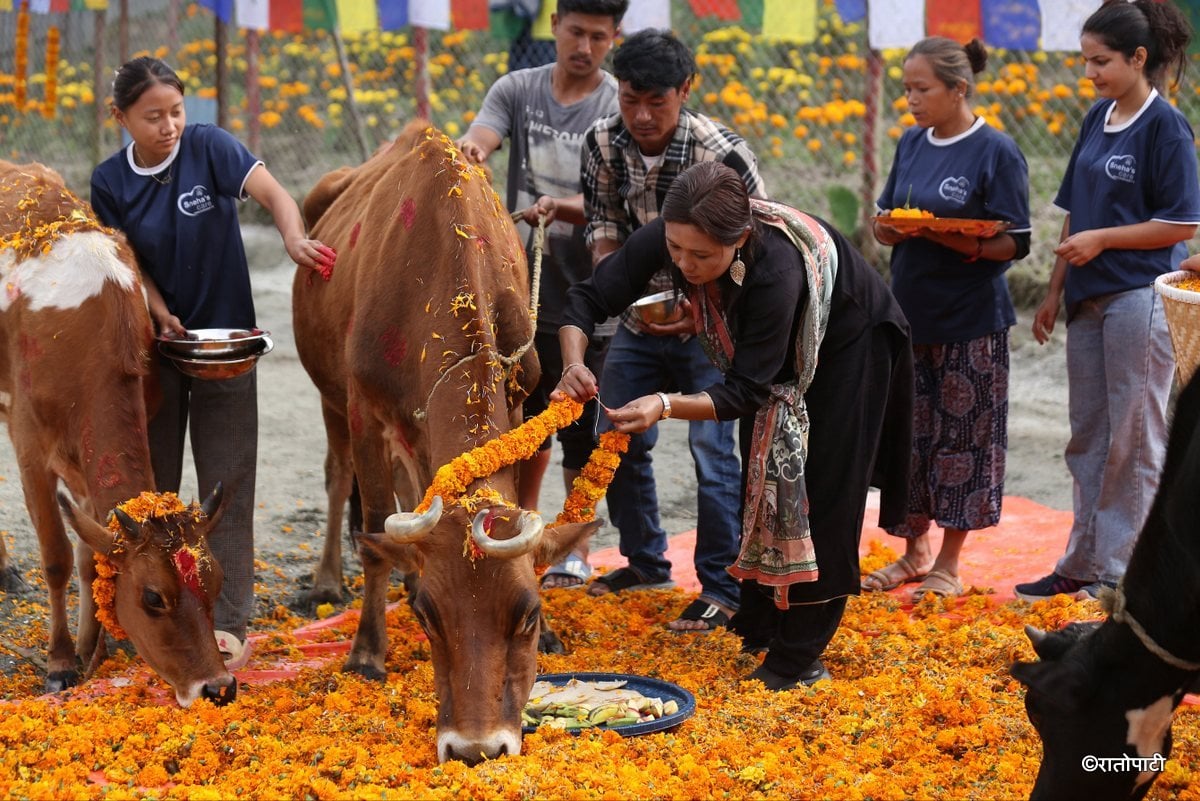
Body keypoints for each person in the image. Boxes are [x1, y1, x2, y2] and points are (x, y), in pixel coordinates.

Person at [557, 161, 913, 687]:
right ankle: (764, 620)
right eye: (675, 250)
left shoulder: (776, 270)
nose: (684, 263)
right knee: (760, 480)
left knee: (823, 494)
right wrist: (573, 362)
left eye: (701, 256)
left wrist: (663, 402)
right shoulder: (676, 234)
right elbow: (587, 299)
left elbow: (745, 392)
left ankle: (798, 657)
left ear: (741, 237)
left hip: (849, 348)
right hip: (774, 372)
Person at [90, 57, 334, 667]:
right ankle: (157, 613)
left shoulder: (209, 147)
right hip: (155, 350)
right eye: (152, 117)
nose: (169, 126)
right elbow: (124, 261)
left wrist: (293, 237)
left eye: (176, 111)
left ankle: (228, 623)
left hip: (228, 349)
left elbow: (273, 192)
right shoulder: (108, 182)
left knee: (228, 481)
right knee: (157, 492)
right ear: (119, 118)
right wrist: (157, 308)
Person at [1015, 0, 1200, 602]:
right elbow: (1074, 212)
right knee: (1087, 436)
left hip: (1138, 296)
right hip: (1087, 298)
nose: (1089, 73)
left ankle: (1123, 573)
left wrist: (1105, 240)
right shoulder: (1098, 119)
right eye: (1086, 60)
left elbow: (1180, 225)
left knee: (1135, 438)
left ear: (1138, 58)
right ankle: (1082, 560)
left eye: (1101, 61)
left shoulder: (1165, 125)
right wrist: (1052, 293)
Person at [579, 28, 763, 631]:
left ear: (686, 90)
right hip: (639, 314)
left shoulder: (725, 154)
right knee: (614, 431)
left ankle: (721, 586)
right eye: (630, 98)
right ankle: (644, 559)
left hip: (713, 324)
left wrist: (705, 304)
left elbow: (759, 245)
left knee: (715, 454)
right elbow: (602, 222)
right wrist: (620, 281)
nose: (641, 114)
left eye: (656, 100)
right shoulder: (601, 142)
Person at [456, 0, 628, 590]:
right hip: (520, 288)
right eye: (575, 32)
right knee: (527, 417)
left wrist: (563, 209)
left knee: (581, 420)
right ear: (554, 26)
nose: (584, 46)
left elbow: (619, 201)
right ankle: (525, 530)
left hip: (590, 285)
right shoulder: (518, 89)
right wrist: (473, 151)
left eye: (598, 37)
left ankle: (575, 541)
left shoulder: (616, 103)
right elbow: (482, 135)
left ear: (615, 38)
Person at [867, 37, 1031, 602]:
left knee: (964, 441)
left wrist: (940, 231)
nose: (910, 100)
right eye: (907, 89)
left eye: (922, 89)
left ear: (958, 89)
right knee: (908, 439)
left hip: (971, 321)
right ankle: (911, 551)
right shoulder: (912, 143)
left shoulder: (996, 151)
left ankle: (950, 562)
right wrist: (886, 228)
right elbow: (888, 215)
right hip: (910, 315)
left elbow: (1015, 244)